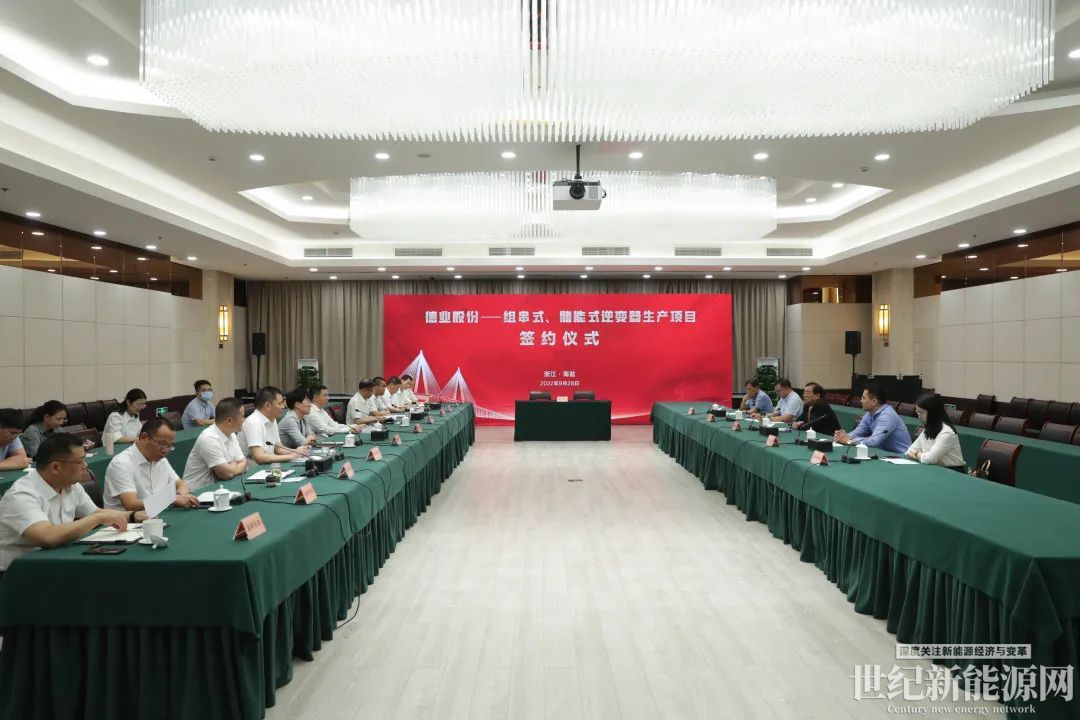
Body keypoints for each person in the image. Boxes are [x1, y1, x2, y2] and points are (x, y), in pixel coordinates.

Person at [0, 434, 140, 571]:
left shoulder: (70, 485)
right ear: (56, 467)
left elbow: (97, 512)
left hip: (53, 561)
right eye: (81, 461)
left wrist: (134, 516)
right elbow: (47, 536)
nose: (85, 465)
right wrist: (98, 518)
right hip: (17, 572)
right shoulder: (21, 495)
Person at [103, 418, 200, 511]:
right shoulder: (121, 464)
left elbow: (182, 485)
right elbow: (131, 505)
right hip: (128, 521)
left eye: (169, 446)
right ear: (144, 437)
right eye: (162, 444)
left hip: (157, 515)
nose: (165, 450)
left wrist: (178, 496)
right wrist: (170, 499)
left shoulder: (161, 460)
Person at [182, 397, 249, 492]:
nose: (244, 420)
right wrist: (234, 465)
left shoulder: (231, 434)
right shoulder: (209, 438)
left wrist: (232, 467)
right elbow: (226, 474)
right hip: (196, 492)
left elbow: (243, 462)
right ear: (229, 420)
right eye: (242, 417)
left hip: (218, 488)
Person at [835, 383, 911, 454]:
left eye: (864, 398)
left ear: (874, 402)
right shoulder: (869, 414)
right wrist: (842, 436)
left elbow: (874, 441)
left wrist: (849, 440)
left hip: (901, 456)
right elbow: (857, 433)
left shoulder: (887, 416)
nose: (861, 401)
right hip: (885, 454)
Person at [239, 386, 303, 464]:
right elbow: (260, 457)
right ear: (268, 405)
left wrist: (297, 451)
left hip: (268, 466)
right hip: (253, 469)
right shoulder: (253, 422)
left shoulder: (272, 419)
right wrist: (291, 456)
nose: (283, 407)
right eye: (280, 403)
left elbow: (278, 448)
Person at [906, 393, 965, 470]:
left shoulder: (947, 432)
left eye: (922, 413)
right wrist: (921, 456)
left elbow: (928, 459)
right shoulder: (928, 428)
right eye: (917, 412)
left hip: (952, 472)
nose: (919, 416)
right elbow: (909, 451)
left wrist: (917, 454)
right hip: (934, 469)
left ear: (933, 413)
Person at [21, 401, 94, 458]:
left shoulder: (58, 429)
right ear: (46, 417)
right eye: (58, 419)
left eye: (63, 419)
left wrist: (83, 446)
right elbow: (36, 455)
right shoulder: (32, 431)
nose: (61, 422)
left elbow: (69, 443)